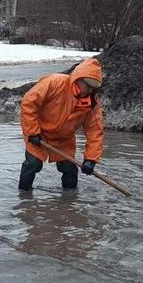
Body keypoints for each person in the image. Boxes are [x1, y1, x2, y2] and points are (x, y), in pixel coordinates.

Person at [18, 58, 104, 191]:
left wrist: (90, 159)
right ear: (78, 79)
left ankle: (69, 204)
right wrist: (32, 131)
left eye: (93, 88)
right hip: (39, 133)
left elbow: (95, 131)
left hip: (64, 139)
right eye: (88, 86)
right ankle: (24, 198)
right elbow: (29, 103)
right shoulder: (55, 82)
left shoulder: (92, 103)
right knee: (33, 164)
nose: (90, 91)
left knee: (69, 169)